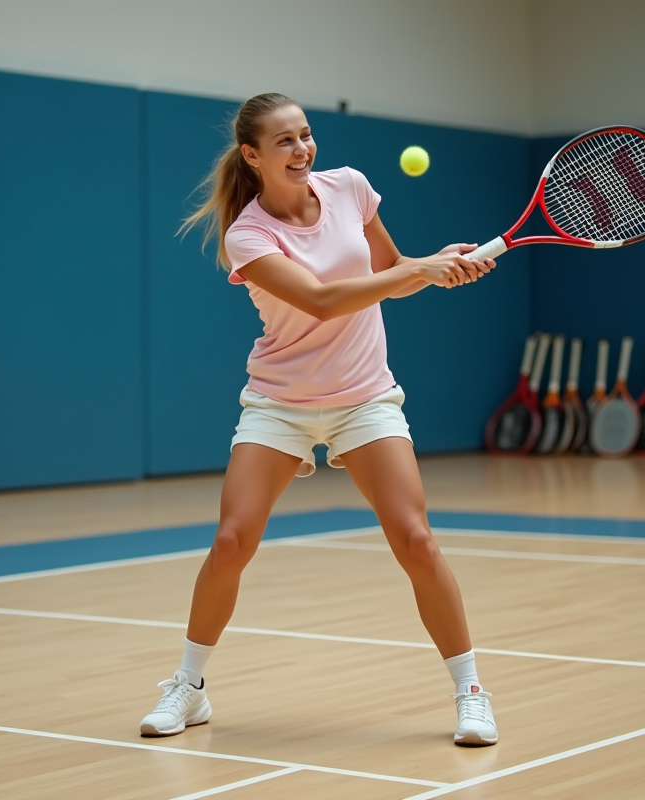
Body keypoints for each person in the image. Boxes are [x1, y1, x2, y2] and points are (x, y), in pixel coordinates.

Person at [139, 93, 499, 746]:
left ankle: (471, 691)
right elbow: (325, 301)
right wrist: (418, 269)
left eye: (306, 135)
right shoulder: (248, 234)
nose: (303, 149)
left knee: (416, 540)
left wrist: (439, 268)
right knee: (231, 542)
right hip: (280, 404)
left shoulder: (352, 189)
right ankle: (188, 688)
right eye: (285, 141)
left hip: (365, 397)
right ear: (252, 156)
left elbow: (392, 272)